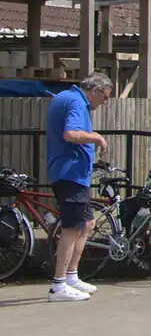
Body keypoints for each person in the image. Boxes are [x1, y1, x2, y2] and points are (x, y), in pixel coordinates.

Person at [44, 72, 113, 301]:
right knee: (72, 227)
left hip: (73, 174)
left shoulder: (67, 97)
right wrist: (96, 137)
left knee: (87, 223)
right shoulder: (76, 102)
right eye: (104, 98)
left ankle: (71, 276)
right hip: (69, 173)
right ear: (95, 90)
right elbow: (71, 133)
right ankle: (58, 285)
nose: (104, 103)